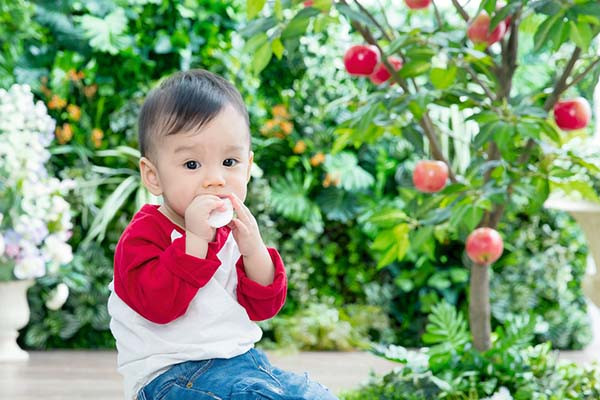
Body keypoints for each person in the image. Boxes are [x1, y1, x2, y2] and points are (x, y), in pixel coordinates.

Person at [107, 69, 339, 400]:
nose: (215, 179)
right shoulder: (143, 236)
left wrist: (253, 249)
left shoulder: (231, 231)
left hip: (245, 363)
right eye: (191, 165)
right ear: (153, 176)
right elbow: (159, 307)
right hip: (169, 378)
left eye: (229, 161)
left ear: (247, 166)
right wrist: (195, 242)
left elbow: (264, 306)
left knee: (314, 395)